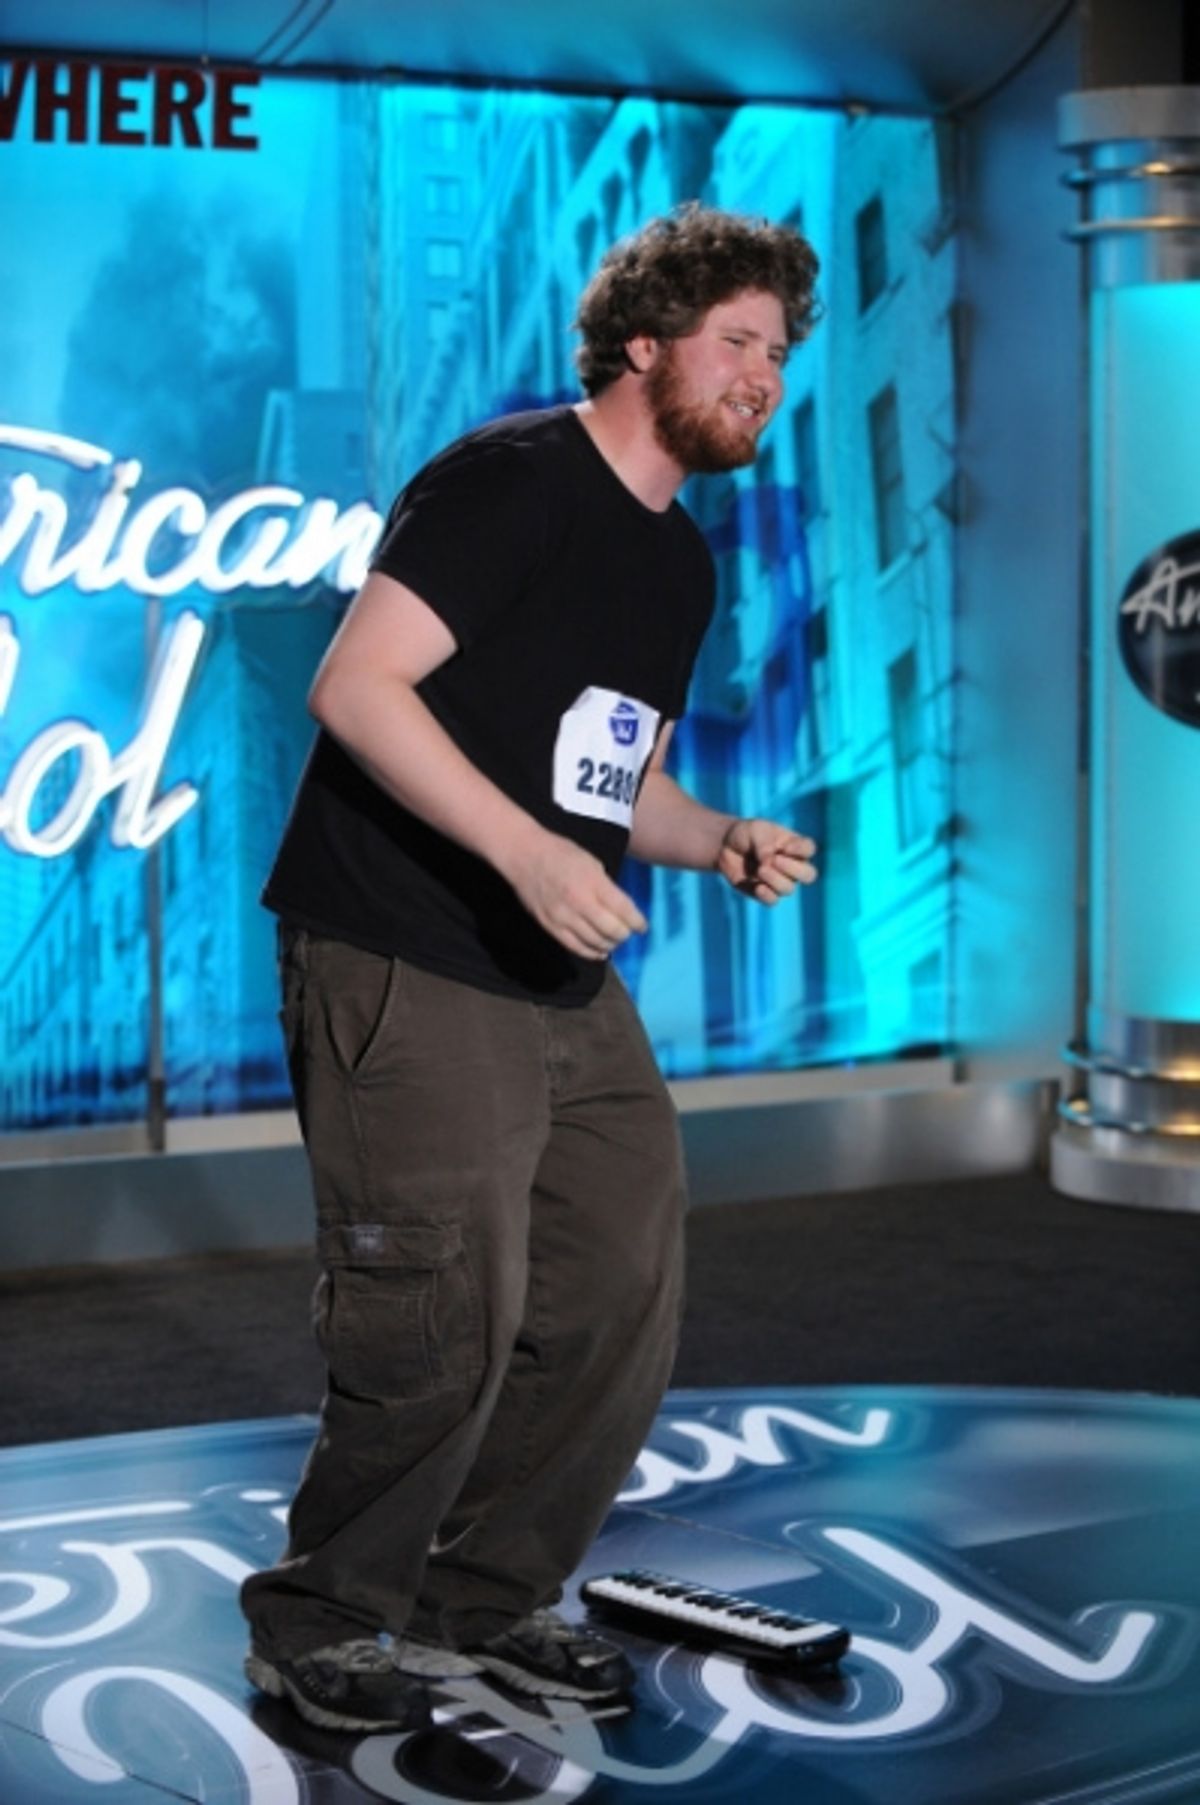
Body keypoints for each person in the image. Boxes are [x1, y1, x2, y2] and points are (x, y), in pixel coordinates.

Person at [241, 202, 821, 1733]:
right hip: (401, 945)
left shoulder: (676, 565)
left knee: (620, 1275)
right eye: (738, 341)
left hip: (552, 972)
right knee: (438, 1313)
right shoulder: (510, 481)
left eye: (781, 353)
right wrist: (528, 853)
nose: (766, 375)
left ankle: (484, 1595)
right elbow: (355, 687)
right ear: (647, 340)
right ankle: (323, 1617)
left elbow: (611, 781)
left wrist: (718, 842)